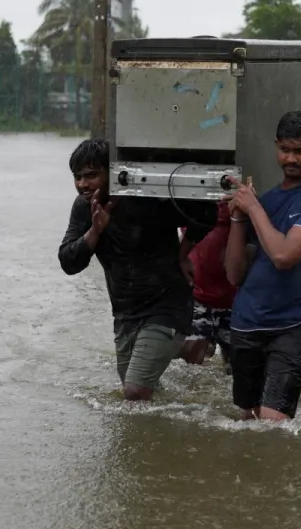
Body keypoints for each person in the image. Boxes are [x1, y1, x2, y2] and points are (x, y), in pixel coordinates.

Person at [58, 138, 211, 401]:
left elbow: (206, 211)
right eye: (78, 177)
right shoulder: (84, 207)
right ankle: (184, 351)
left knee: (135, 391)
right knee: (143, 395)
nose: (83, 184)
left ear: (112, 172)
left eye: (92, 175)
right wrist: (95, 230)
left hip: (166, 304)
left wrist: (183, 253)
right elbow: (68, 262)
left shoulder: (144, 197)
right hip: (125, 312)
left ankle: (179, 344)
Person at [223, 110, 301, 422]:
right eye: (284, 149)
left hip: (294, 322)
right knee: (247, 419)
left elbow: (284, 256)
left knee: (272, 423)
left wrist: (253, 209)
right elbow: (234, 274)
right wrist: (238, 218)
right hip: (246, 322)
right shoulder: (266, 201)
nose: (290, 159)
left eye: (300, 151)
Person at [182, 201, 239, 373]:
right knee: (191, 363)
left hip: (236, 302)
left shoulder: (246, 212)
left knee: (236, 367)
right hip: (198, 299)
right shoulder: (193, 207)